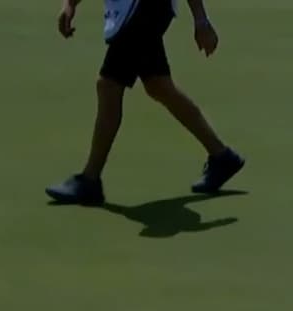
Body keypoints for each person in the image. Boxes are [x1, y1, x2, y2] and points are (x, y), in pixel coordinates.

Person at [47, 0, 245, 205]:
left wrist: (201, 20)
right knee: (157, 85)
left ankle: (89, 179)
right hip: (133, 10)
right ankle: (222, 156)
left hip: (144, 8)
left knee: (109, 85)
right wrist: (71, 4)